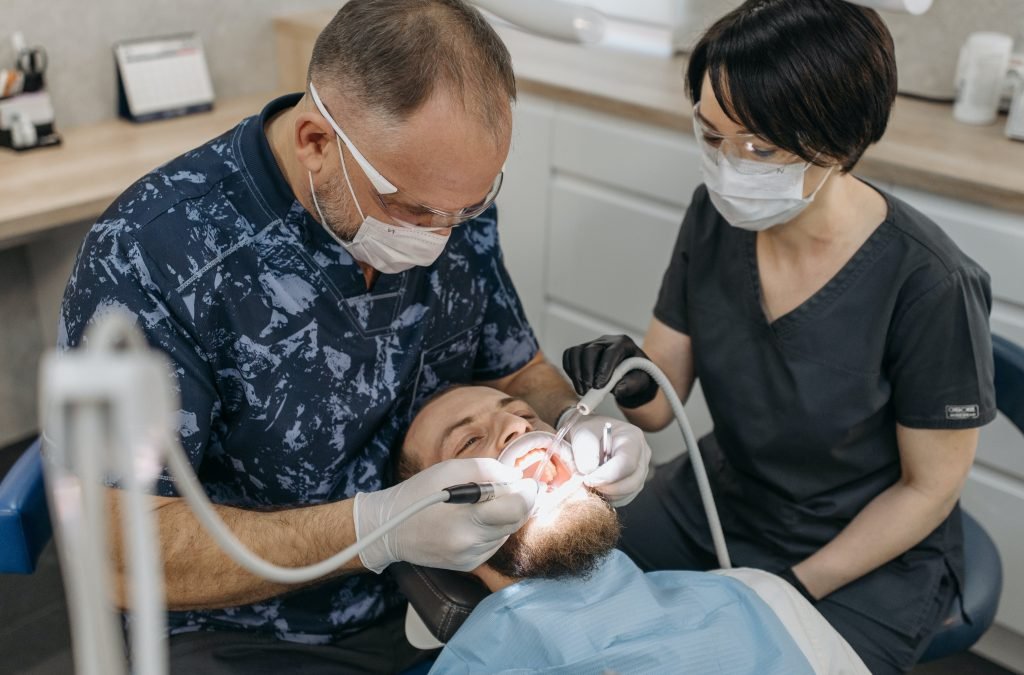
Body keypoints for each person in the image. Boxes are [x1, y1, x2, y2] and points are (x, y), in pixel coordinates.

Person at [57, 1, 651, 672]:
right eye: (414, 211)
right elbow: (114, 549)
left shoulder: (446, 199)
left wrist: (574, 425)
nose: (442, 236)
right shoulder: (153, 255)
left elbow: (516, 371)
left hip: (448, 588)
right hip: (251, 627)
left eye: (470, 207)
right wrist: (374, 531)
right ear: (316, 141)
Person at [562, 1, 996, 672]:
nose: (730, 166)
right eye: (710, 136)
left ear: (843, 146)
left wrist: (792, 588)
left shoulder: (931, 283)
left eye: (760, 148)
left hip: (859, 552)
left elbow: (927, 489)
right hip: (721, 499)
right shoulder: (714, 216)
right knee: (562, 583)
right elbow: (658, 405)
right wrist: (629, 374)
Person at [396, 385, 869, 674]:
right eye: (470, 440)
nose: (516, 427)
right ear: (441, 528)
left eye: (523, 413)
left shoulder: (758, 596)